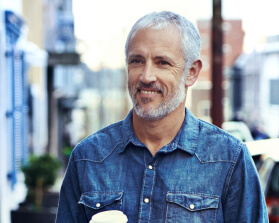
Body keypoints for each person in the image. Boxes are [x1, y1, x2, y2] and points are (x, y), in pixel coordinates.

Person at [56, 11, 268, 222]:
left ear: (192, 72)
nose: (146, 76)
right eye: (137, 61)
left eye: (162, 63)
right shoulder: (88, 157)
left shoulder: (229, 159)